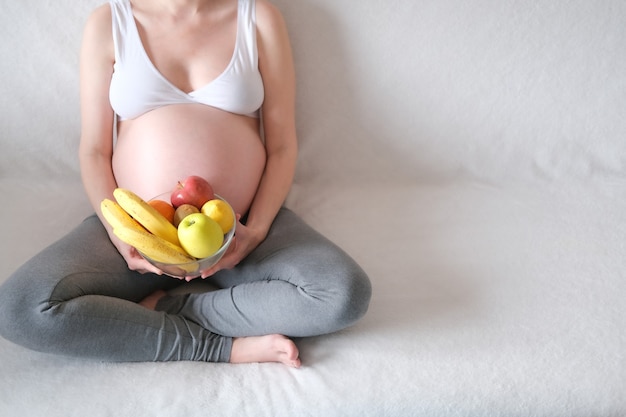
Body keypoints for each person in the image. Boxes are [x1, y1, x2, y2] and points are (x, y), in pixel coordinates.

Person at [0, 0, 371, 367]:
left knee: (342, 294)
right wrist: (119, 235)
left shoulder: (257, 17)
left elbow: (283, 146)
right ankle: (215, 347)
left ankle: (172, 307)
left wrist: (255, 231)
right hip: (136, 236)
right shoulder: (109, 22)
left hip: (240, 231)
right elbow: (94, 151)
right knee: (19, 309)